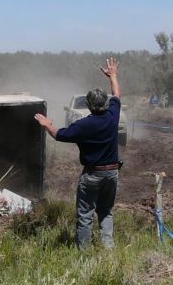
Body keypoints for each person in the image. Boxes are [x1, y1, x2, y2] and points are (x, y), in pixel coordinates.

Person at [34, 57, 122, 249]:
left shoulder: (83, 126)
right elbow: (117, 95)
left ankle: (84, 254)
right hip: (112, 173)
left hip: (92, 175)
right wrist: (113, 75)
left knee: (85, 214)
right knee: (106, 211)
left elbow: (59, 135)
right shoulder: (113, 116)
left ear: (89, 106)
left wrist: (48, 124)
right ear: (105, 104)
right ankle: (109, 249)